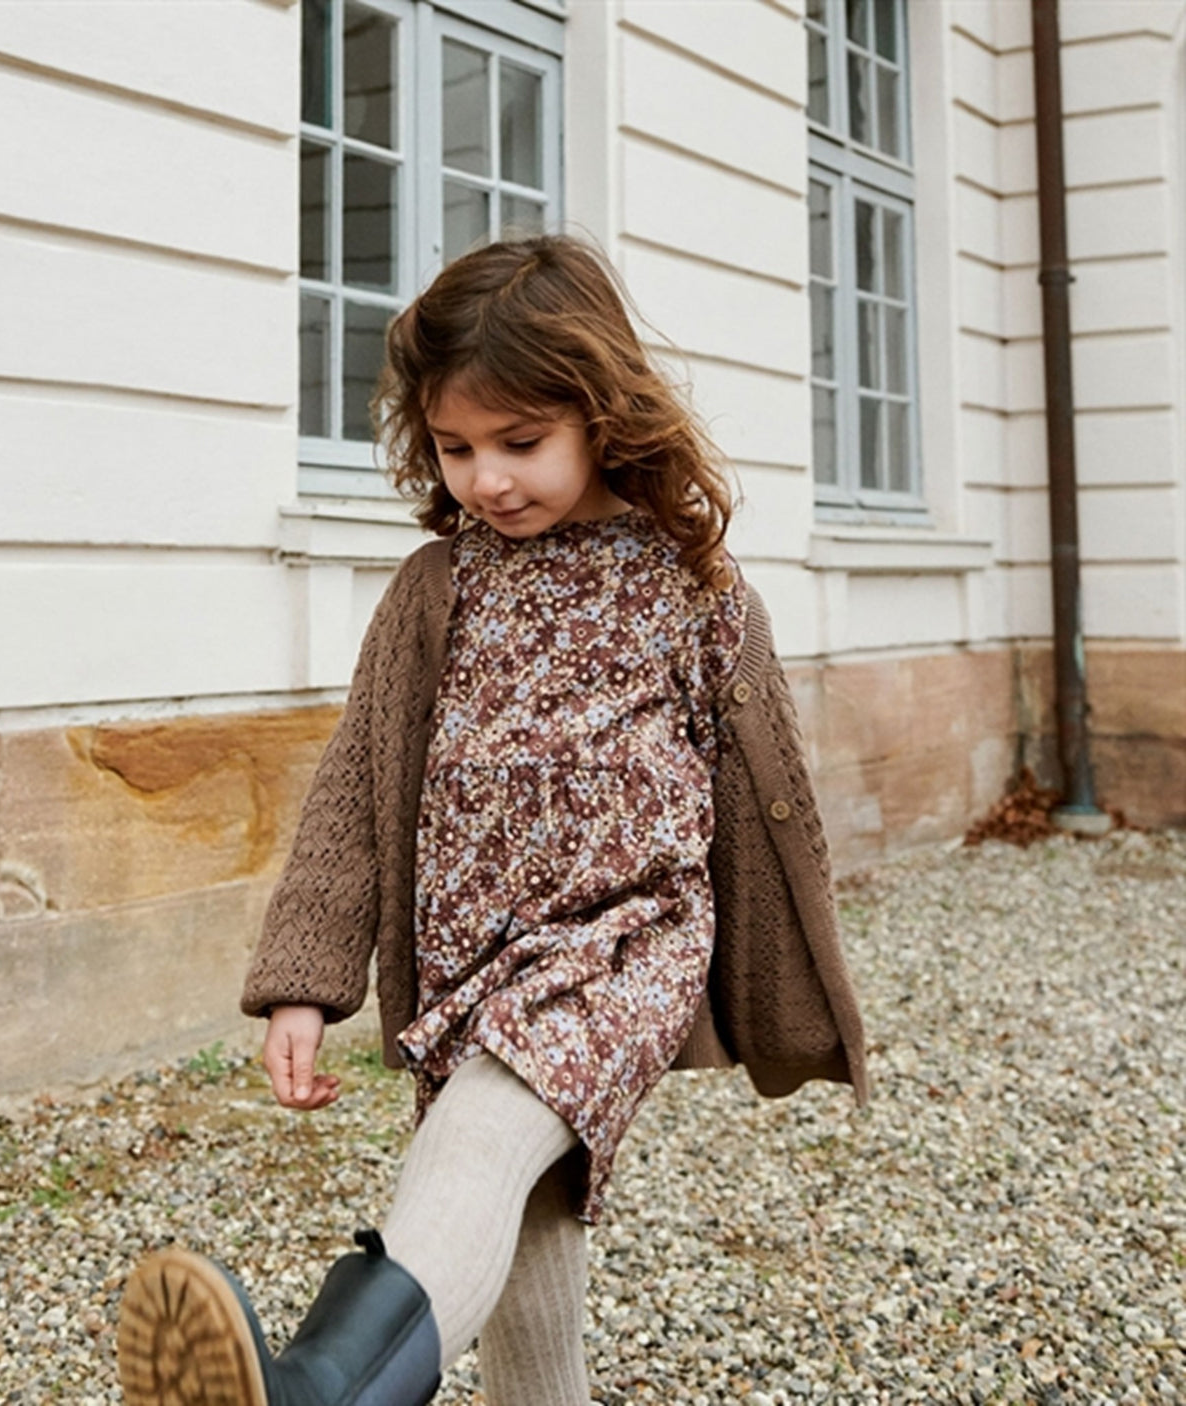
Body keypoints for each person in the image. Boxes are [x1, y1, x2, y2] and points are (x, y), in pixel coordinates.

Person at [115, 235, 868, 1406]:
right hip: (468, 958)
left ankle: (319, 1386)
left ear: (602, 411)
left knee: (475, 1139)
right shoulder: (436, 589)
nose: (487, 479)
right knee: (519, 1234)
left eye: (520, 443)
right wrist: (306, 977)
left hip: (618, 950)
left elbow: (764, 801)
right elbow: (354, 792)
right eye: (456, 448)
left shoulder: (693, 588)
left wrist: (780, 989)